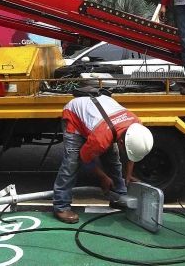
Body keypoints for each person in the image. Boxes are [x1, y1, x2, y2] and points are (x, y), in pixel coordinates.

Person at [53, 94, 154, 224]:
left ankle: (120, 196)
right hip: (74, 115)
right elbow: (85, 159)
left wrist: (128, 175)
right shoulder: (101, 139)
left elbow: (131, 152)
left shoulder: (136, 125)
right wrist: (102, 177)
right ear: (122, 142)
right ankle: (61, 206)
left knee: (113, 160)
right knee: (71, 163)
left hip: (103, 120)